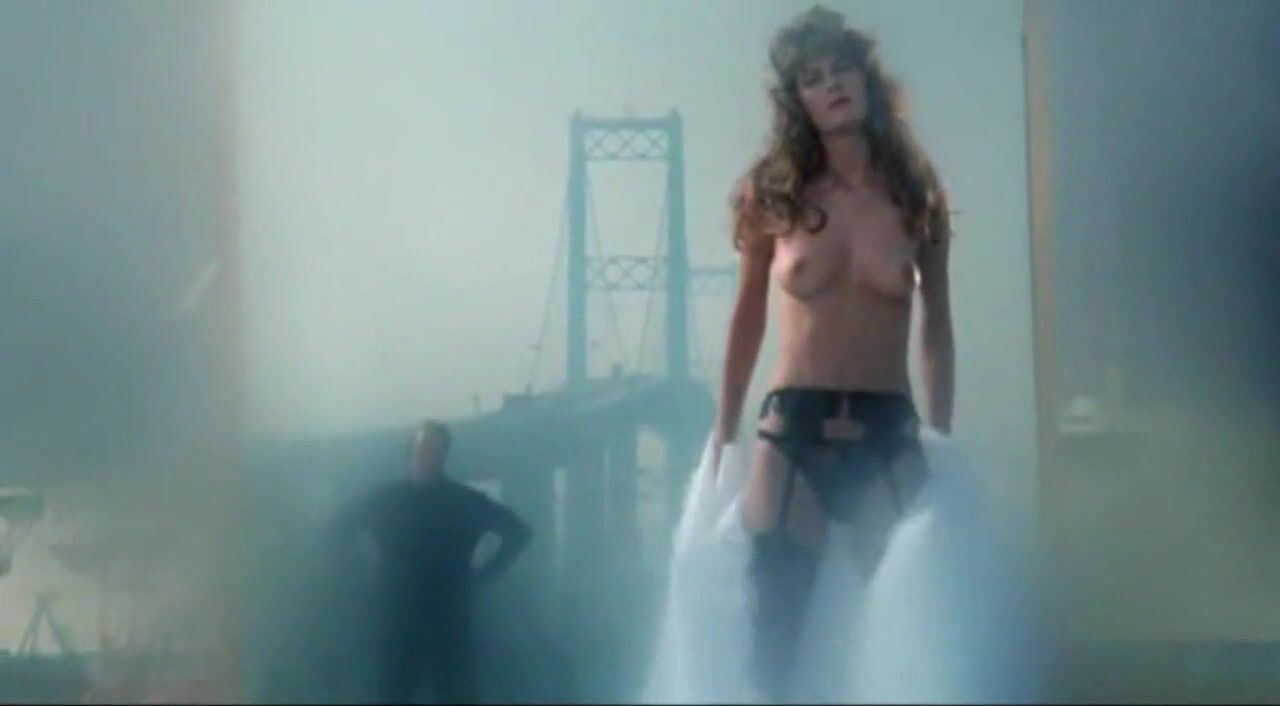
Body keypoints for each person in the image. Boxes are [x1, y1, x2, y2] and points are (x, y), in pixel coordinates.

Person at [647, 6, 1039, 704]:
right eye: (813, 78)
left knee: (912, 616)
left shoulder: (916, 195)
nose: (832, 85)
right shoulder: (775, 195)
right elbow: (747, 320)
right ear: (797, 101)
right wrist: (723, 431)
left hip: (888, 430)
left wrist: (939, 433)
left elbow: (936, 325)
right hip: (792, 430)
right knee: (774, 622)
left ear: (866, 77)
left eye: (842, 70)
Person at [340, 419, 532, 704]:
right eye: (423, 448)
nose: (427, 456)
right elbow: (337, 530)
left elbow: (519, 533)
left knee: (453, 694)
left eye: (434, 450)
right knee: (397, 694)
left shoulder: (463, 501)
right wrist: (363, 574)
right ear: (410, 451)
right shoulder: (386, 499)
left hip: (446, 622)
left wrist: (484, 576)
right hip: (402, 622)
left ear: (444, 455)